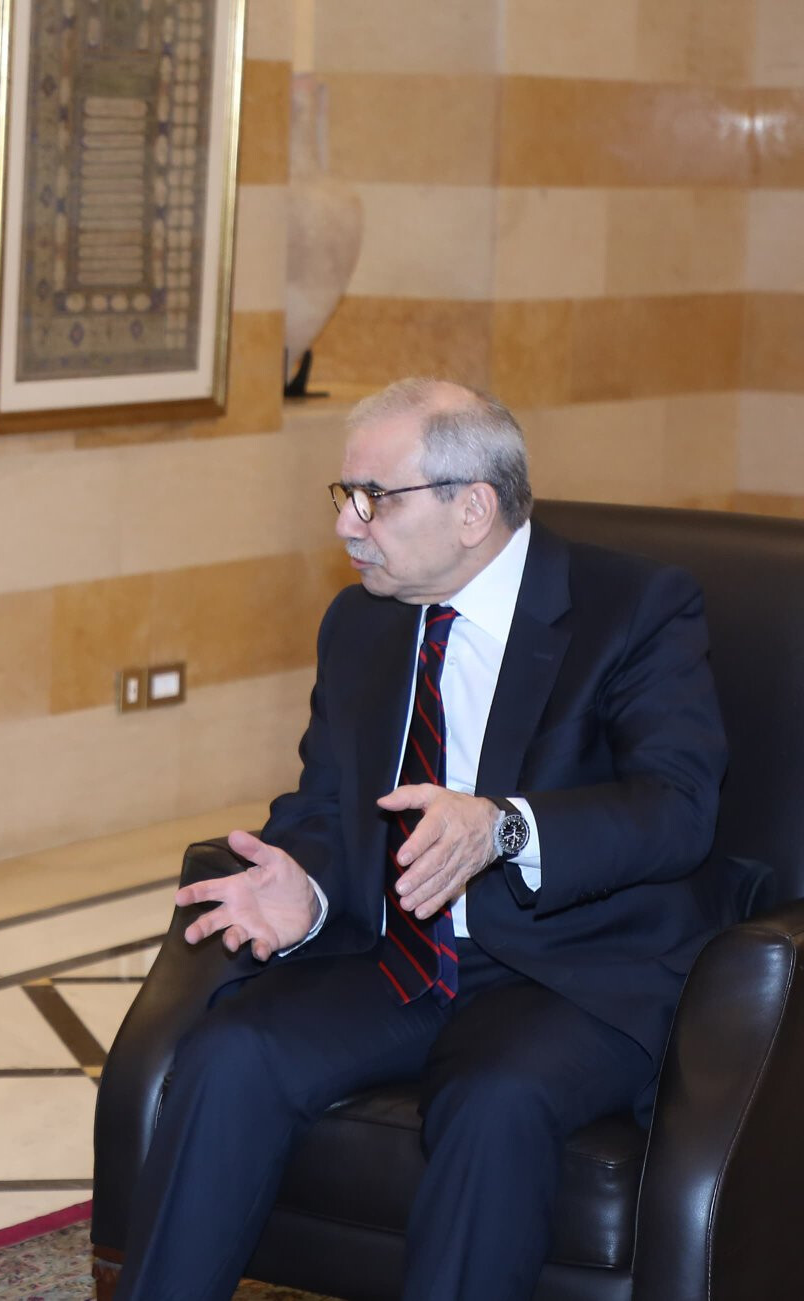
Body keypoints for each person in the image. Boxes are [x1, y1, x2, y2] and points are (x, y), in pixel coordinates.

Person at [109, 379, 730, 1301]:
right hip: (400, 953)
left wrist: (503, 826)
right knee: (231, 1051)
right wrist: (309, 885)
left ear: (472, 509)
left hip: (568, 968)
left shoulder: (632, 609)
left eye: (374, 498)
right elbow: (327, 802)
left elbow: (677, 807)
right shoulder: (360, 622)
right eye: (345, 495)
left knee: (491, 1103)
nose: (347, 525)